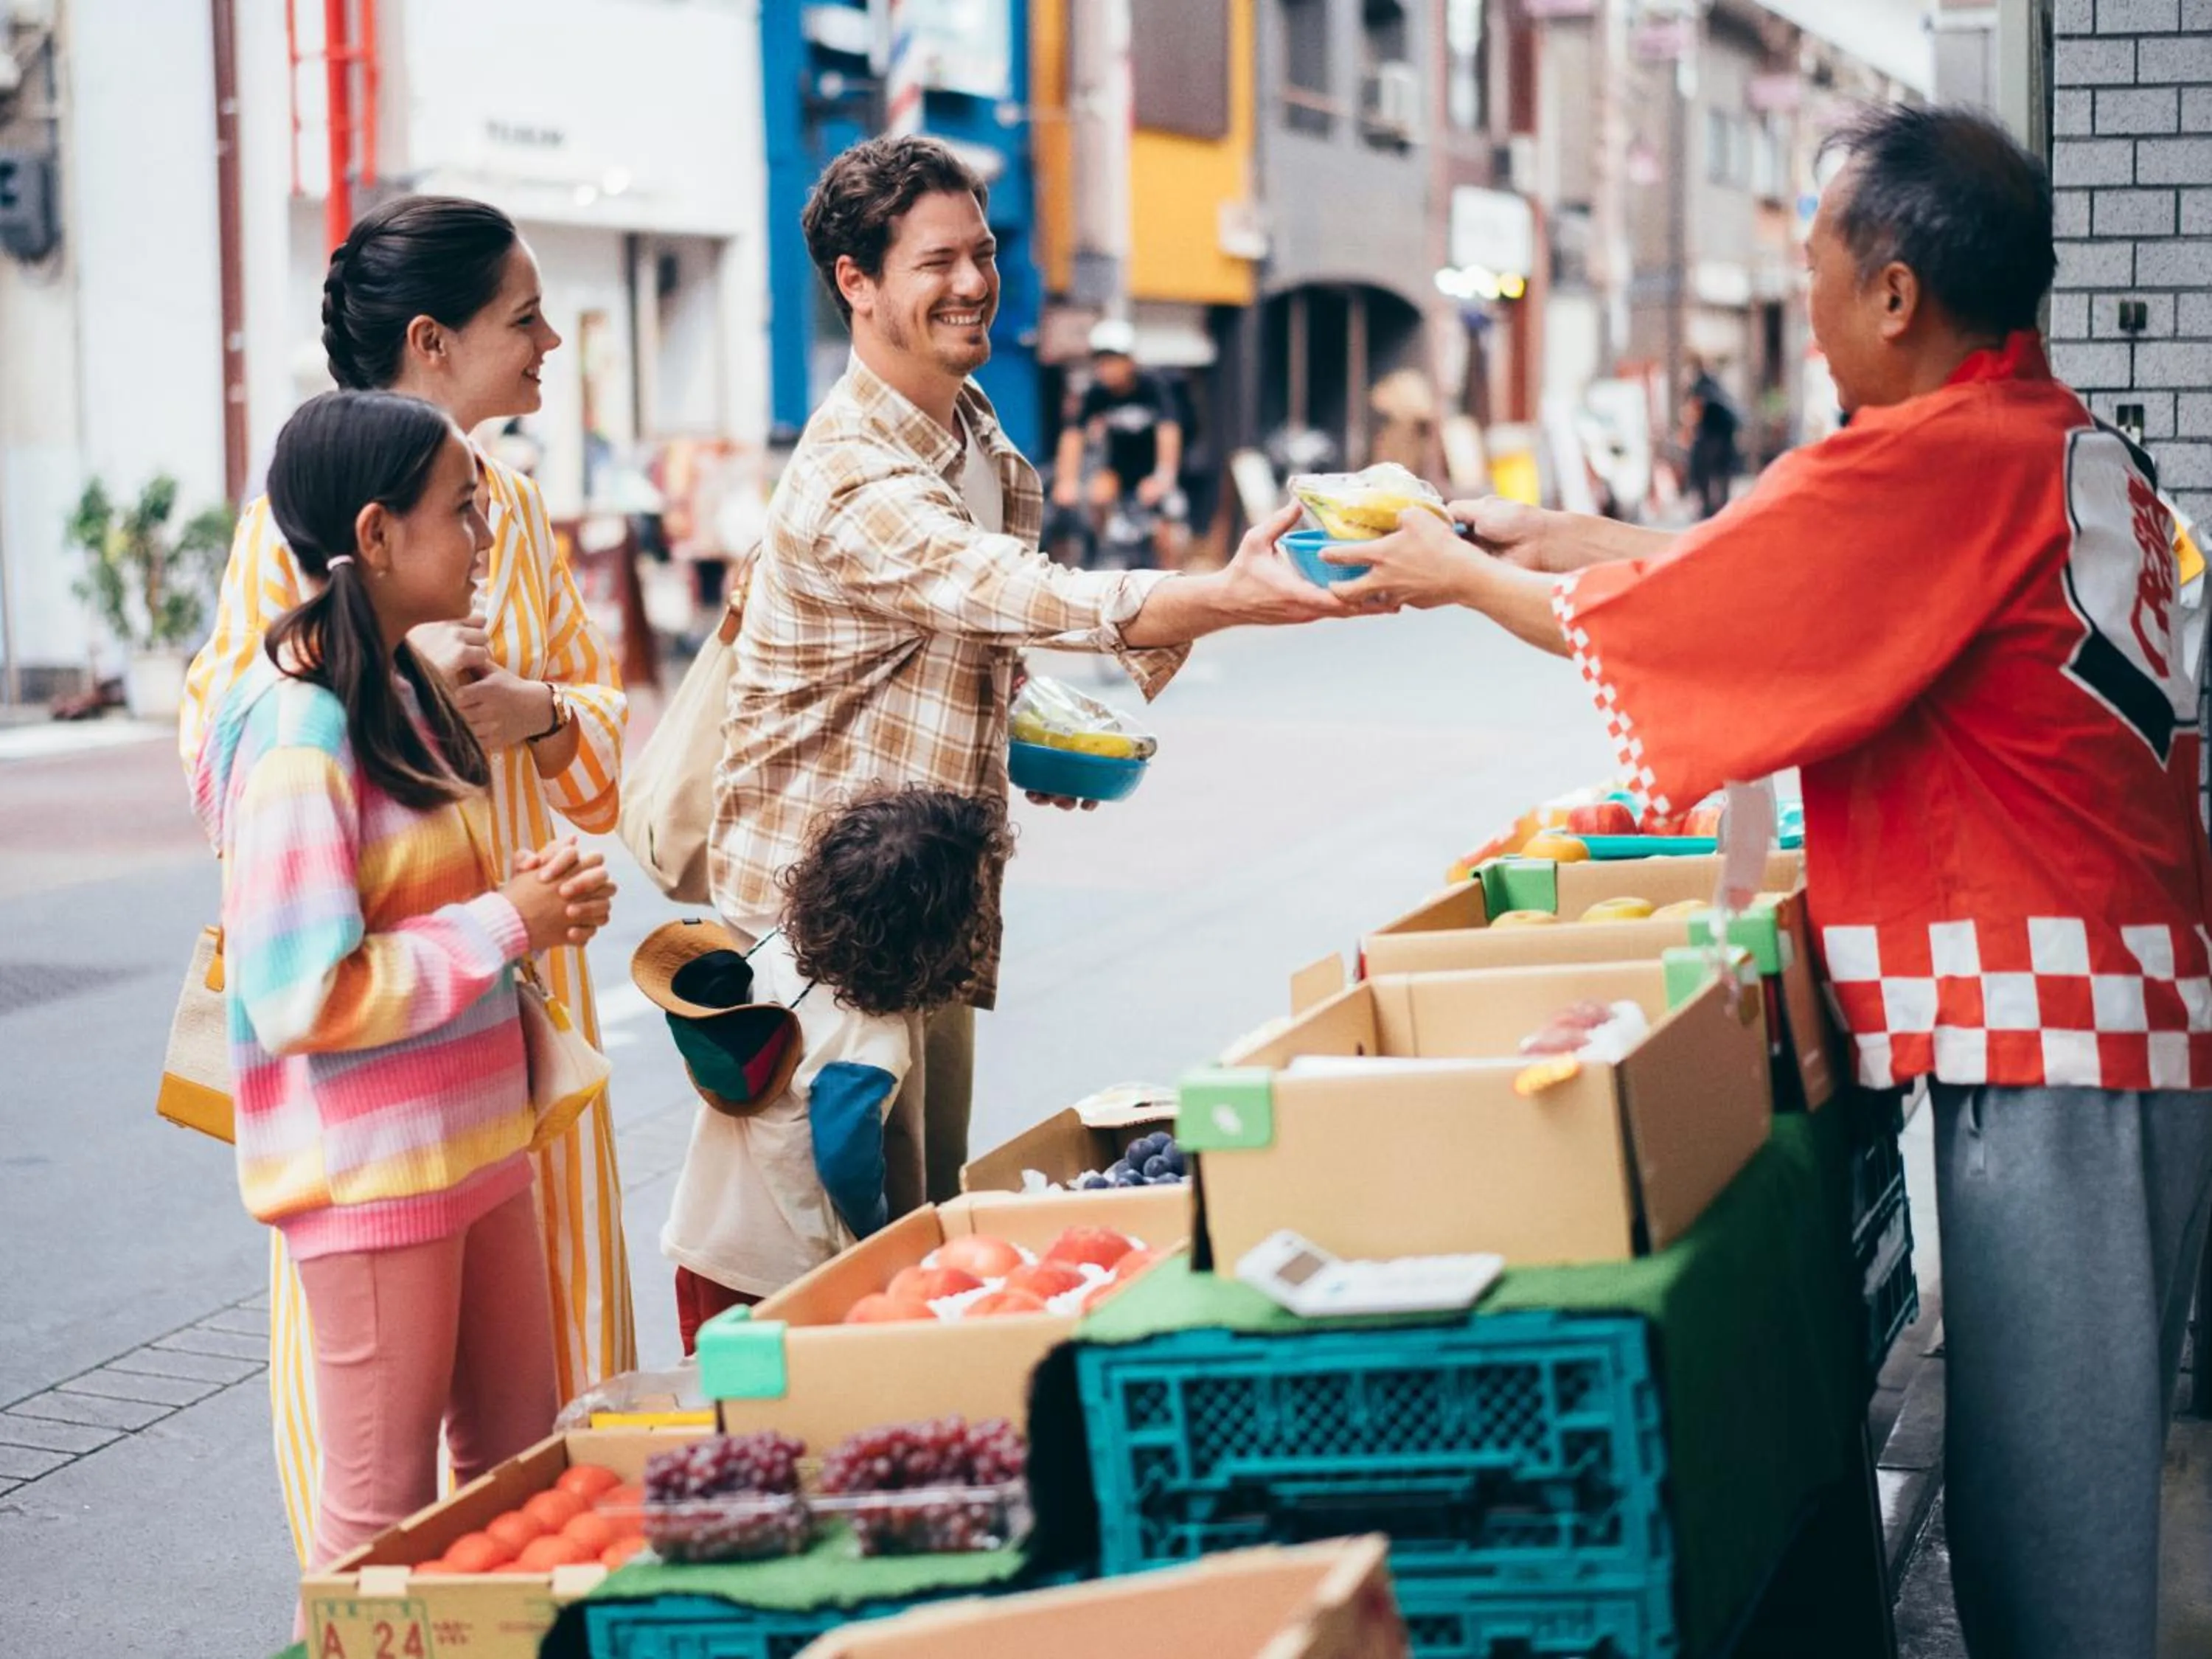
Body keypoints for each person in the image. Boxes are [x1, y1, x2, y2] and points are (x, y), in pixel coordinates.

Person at [1332, 104, 2212, 1658]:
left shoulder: (1938, 459)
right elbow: (1781, 563)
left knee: (2054, 1515)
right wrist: (1558, 536)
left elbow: (1739, 606)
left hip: (2064, 1023)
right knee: (2050, 1466)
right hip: (2111, 1010)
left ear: (1893, 294)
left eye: (1813, 260)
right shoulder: (2048, 433)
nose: (1799, 294)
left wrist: (1464, 579)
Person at [712, 135, 1362, 1215]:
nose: (974, 282)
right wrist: (1234, 593)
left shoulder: (969, 430)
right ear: (857, 284)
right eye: (937, 262)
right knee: (830, 1253)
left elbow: (948, 636)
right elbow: (1010, 588)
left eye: (984, 251)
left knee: (925, 1219)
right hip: (820, 935)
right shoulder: (849, 471)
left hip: (926, 904)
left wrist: (1015, 730)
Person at [178, 195, 635, 1565]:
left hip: (517, 1018)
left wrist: (540, 717)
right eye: (524, 319)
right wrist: (381, 686)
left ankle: (511, 1593)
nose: (551, 342)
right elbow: (234, 769)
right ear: (434, 344)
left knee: (532, 1410)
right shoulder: (293, 525)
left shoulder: (516, 508)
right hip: (377, 1048)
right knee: (376, 1446)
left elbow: (605, 739)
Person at [655, 786, 1012, 1349]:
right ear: (939, 937)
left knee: (720, 1406)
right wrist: (878, 1233)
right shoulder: (872, 1037)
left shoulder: (778, 947)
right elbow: (845, 1157)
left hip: (705, 1239)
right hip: (786, 1277)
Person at [1051, 317, 1189, 565]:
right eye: (1101, 362)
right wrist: (1066, 480)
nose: (1106, 368)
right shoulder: (1096, 393)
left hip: (1152, 472)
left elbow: (1169, 431)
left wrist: (1163, 477)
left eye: (1112, 361)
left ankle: (1172, 579)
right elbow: (1073, 436)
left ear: (1129, 361)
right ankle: (1102, 551)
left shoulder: (1153, 387)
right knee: (1097, 494)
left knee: (1165, 536)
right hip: (1118, 470)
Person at [1680, 357, 1741, 518]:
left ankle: (1708, 511)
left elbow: (1695, 412)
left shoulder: (1700, 386)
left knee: (1702, 473)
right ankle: (1722, 510)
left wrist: (1687, 430)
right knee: (1721, 476)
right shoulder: (1716, 385)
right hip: (1725, 439)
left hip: (1711, 439)